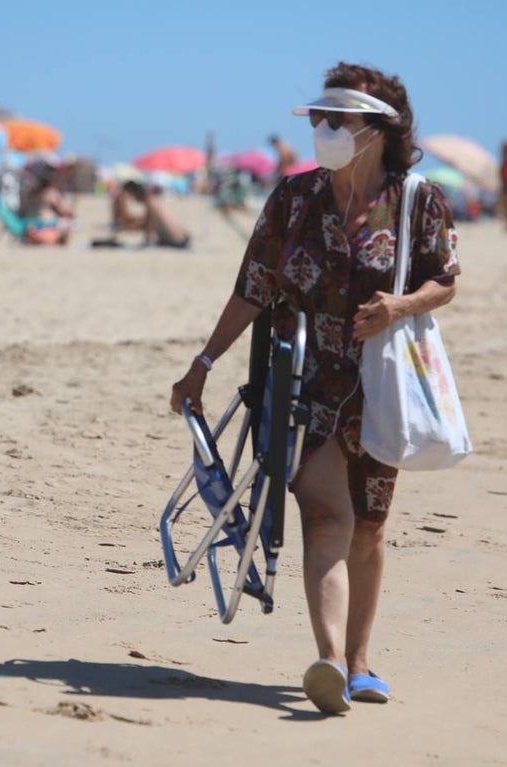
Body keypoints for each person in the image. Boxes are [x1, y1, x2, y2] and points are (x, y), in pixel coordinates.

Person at [170, 62, 459, 714]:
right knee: (326, 517)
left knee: (369, 531)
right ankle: (329, 660)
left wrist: (401, 305)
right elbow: (252, 288)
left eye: (340, 120)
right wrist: (203, 362)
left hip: (380, 385)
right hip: (303, 383)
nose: (325, 130)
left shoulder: (418, 200)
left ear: (378, 129)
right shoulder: (293, 201)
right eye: (319, 119)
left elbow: (446, 278)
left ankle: (361, 662)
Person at [121, 181, 190, 248]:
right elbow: (145, 222)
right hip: (184, 236)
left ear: (136, 194)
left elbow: (149, 229)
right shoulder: (154, 200)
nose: (133, 199)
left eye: (131, 196)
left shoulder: (150, 204)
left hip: (176, 241)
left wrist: (123, 229)